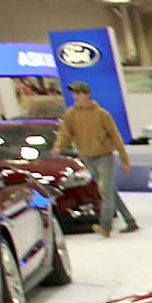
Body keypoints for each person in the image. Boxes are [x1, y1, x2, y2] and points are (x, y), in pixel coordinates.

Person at [53, 81, 136, 237]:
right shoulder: (71, 114)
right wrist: (58, 146)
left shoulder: (102, 114)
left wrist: (124, 159)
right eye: (74, 93)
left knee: (104, 190)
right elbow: (65, 133)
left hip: (104, 155)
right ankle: (130, 221)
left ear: (87, 94)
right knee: (109, 191)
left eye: (79, 93)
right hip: (88, 157)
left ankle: (105, 225)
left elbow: (115, 136)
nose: (76, 96)